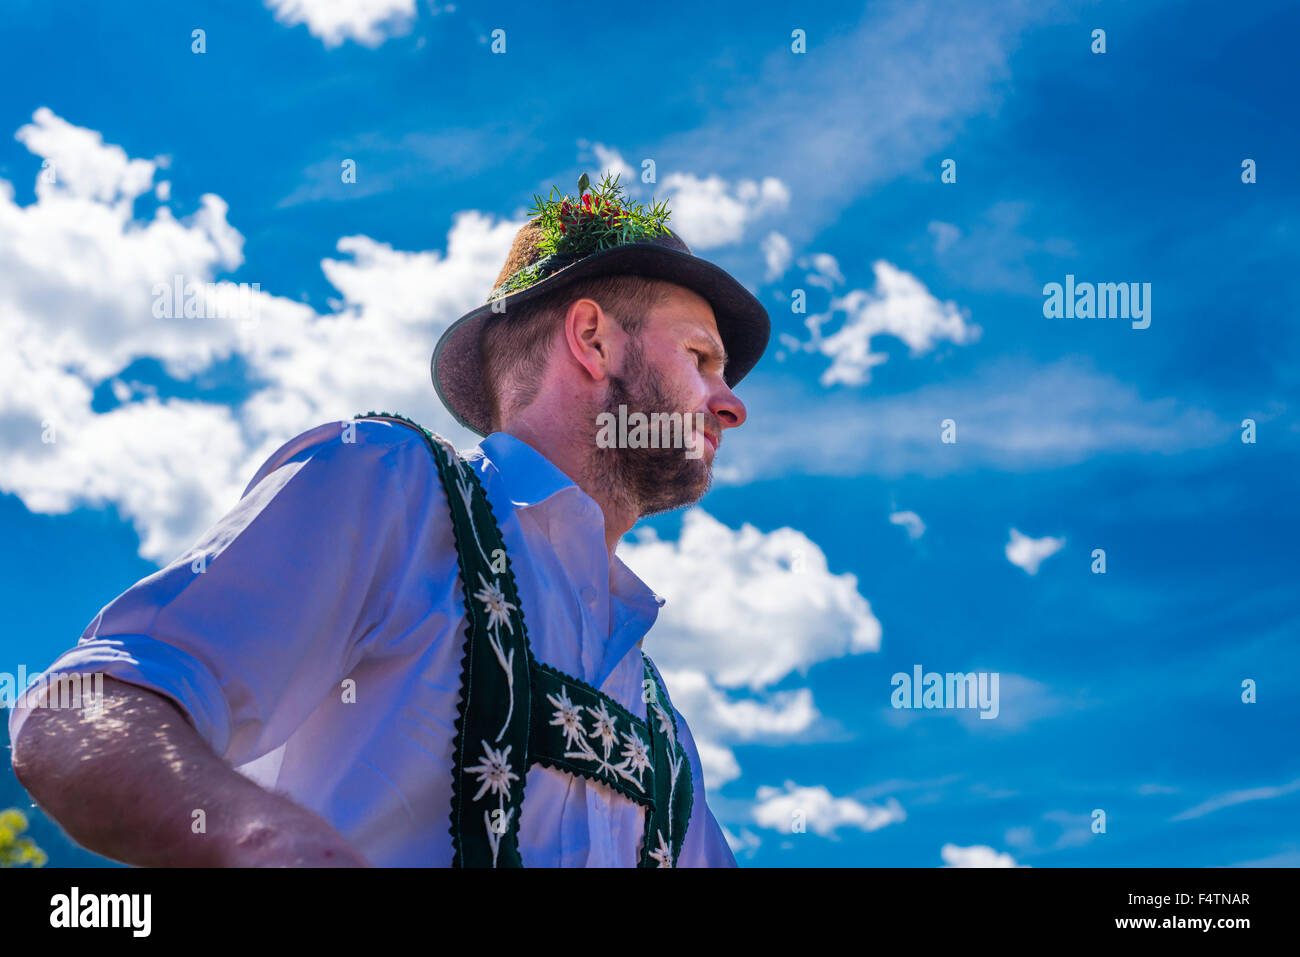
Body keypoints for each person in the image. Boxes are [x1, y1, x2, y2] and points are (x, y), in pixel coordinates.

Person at [9, 173, 770, 867]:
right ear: (593, 339)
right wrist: (274, 845)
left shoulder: (664, 732)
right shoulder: (392, 486)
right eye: (702, 358)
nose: (730, 403)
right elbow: (82, 708)